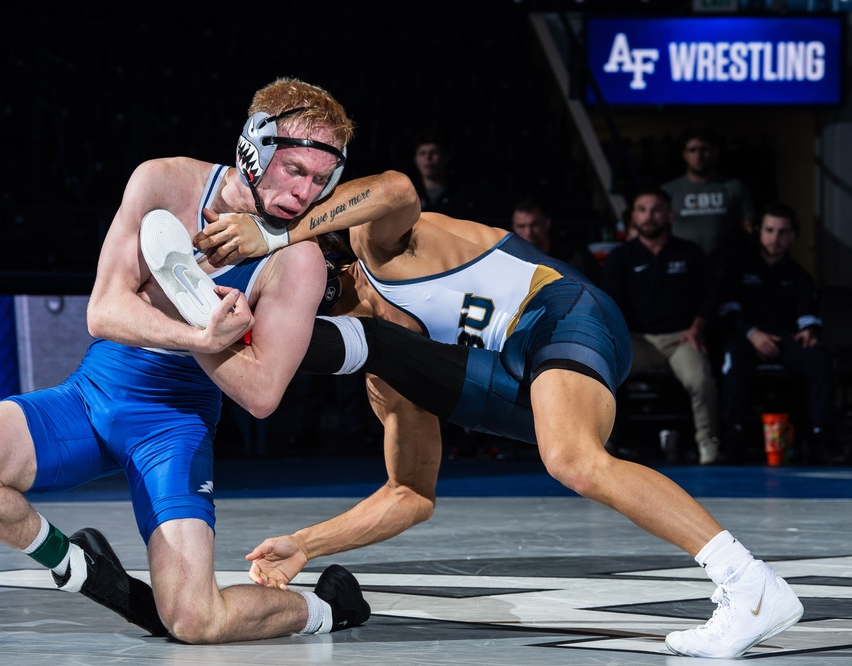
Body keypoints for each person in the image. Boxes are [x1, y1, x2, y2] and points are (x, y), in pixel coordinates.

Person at [193, 170, 804, 658]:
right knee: (397, 362)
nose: (301, 316)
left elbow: (398, 189)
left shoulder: (377, 246)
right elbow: (410, 493)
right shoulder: (385, 366)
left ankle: (748, 583)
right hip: (520, 371)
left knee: (571, 459)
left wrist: (277, 233)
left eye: (298, 306)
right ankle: (747, 586)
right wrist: (305, 543)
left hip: (560, 313)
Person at [0, 77, 370, 644]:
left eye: (319, 179)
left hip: (173, 427)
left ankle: (329, 608)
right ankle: (77, 568)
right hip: (93, 394)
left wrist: (199, 331)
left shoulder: (297, 262)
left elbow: (261, 395)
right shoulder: (164, 181)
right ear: (253, 151)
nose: (305, 193)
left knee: (194, 621)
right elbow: (104, 311)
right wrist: (204, 335)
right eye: (294, 169)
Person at [600, 187, 723, 466]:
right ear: (633, 216)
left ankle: (708, 444)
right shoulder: (621, 257)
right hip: (636, 341)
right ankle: (604, 443)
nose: (648, 216)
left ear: (669, 215)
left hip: (680, 339)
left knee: (701, 380)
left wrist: (698, 327)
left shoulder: (689, 252)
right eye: (642, 210)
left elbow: (712, 295)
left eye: (655, 210)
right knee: (602, 372)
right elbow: (607, 303)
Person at [718, 204, 839, 464]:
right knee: (732, 358)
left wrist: (809, 330)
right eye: (770, 230)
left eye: (783, 232)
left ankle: (821, 438)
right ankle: (734, 438)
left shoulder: (798, 275)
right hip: (746, 340)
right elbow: (726, 311)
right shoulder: (738, 268)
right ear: (759, 232)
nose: (775, 238)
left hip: (785, 341)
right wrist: (752, 334)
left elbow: (808, 313)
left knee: (821, 361)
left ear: (793, 236)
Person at [661, 124, 756, 266]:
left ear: (715, 152)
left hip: (725, 264)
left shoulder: (733, 187)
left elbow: (750, 227)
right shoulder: (669, 190)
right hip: (682, 263)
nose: (698, 156)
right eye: (692, 150)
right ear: (685, 155)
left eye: (704, 149)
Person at [511, 198, 601, 283]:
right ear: (514, 228)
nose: (528, 232)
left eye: (534, 225)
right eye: (521, 226)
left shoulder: (574, 259)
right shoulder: (510, 262)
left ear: (546, 224)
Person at [410, 128, 475, 219]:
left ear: (446, 157)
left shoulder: (462, 195)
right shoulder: (409, 195)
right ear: (415, 159)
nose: (428, 157)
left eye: (434, 152)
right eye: (422, 153)